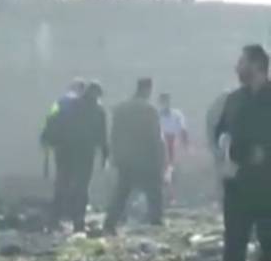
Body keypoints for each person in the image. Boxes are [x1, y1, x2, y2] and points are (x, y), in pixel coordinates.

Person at [214, 44, 271, 261]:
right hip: (237, 183)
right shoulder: (234, 99)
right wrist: (224, 148)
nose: (237, 67)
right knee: (234, 244)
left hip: (267, 185)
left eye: (242, 62)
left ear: (257, 65)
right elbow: (221, 131)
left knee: (269, 245)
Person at [41, 81, 108, 232]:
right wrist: (105, 156)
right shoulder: (98, 111)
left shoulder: (67, 105)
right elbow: (102, 136)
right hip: (84, 154)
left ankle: (54, 220)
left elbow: (52, 123)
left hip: (64, 151)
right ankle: (78, 222)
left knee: (62, 185)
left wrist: (48, 142)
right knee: (81, 188)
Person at [103, 77, 165, 234]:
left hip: (126, 158)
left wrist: (114, 156)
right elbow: (155, 136)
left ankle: (110, 223)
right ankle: (156, 222)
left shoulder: (121, 109)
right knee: (154, 191)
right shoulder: (149, 110)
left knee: (122, 192)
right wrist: (160, 158)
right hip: (145, 158)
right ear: (148, 90)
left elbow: (114, 135)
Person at [42, 79, 86, 178]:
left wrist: (47, 136)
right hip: (76, 143)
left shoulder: (59, 102)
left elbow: (50, 119)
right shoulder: (84, 104)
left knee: (63, 170)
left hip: (62, 142)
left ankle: (61, 191)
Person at [158, 92, 189, 202]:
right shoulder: (156, 114)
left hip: (173, 143)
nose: (165, 103)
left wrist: (185, 144)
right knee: (163, 170)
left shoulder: (177, 114)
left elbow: (183, 129)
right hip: (159, 144)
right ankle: (165, 196)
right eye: (163, 101)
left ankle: (172, 196)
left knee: (171, 170)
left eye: (166, 101)